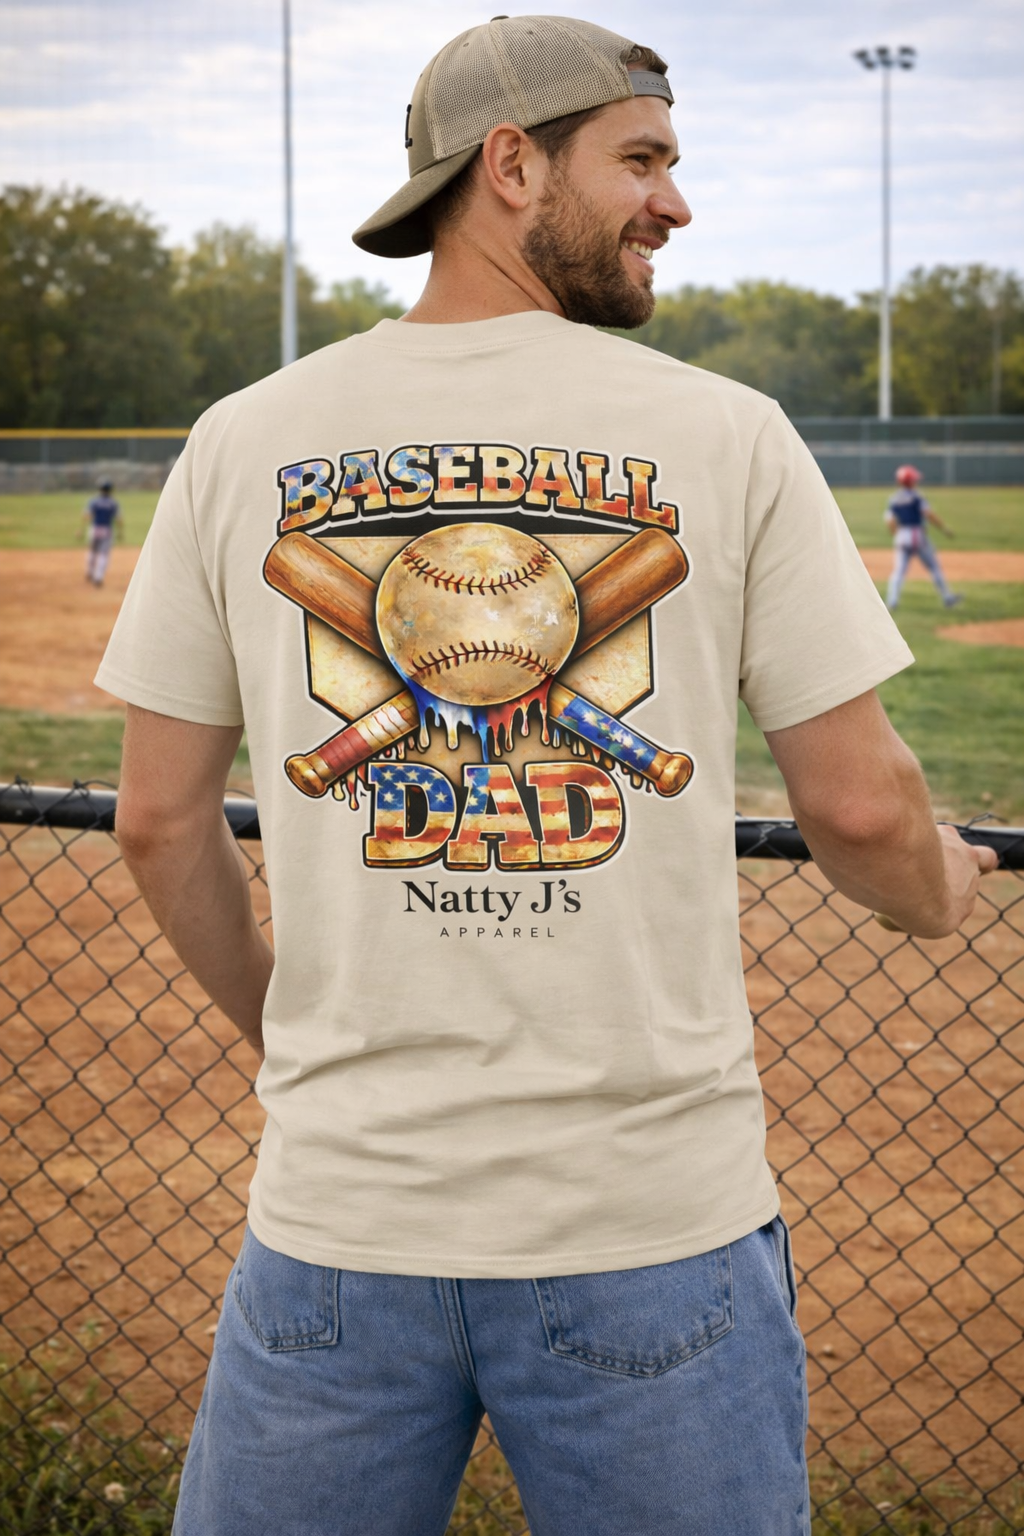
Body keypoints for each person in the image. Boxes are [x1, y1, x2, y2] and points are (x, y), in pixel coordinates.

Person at [96, 18, 997, 1535]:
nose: (674, 203)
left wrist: (296, 1034)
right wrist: (937, 891)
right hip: (647, 1224)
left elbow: (154, 820)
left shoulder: (244, 439)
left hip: (339, 1223)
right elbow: (858, 808)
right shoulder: (723, 435)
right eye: (641, 160)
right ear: (510, 165)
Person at [885, 463, 962, 610]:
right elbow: (929, 514)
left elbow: (890, 520)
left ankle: (892, 601)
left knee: (898, 571)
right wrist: (944, 529)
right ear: (910, 482)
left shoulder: (894, 498)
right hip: (916, 534)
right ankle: (947, 597)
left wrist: (896, 534)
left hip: (901, 535)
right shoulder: (917, 496)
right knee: (934, 567)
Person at [82, 477, 122, 586]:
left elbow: (87, 515)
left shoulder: (94, 501)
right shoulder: (113, 503)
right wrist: (120, 532)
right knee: (103, 554)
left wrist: (81, 529)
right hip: (107, 530)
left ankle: (89, 572)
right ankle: (98, 577)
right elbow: (119, 519)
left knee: (92, 551)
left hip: (95, 529)